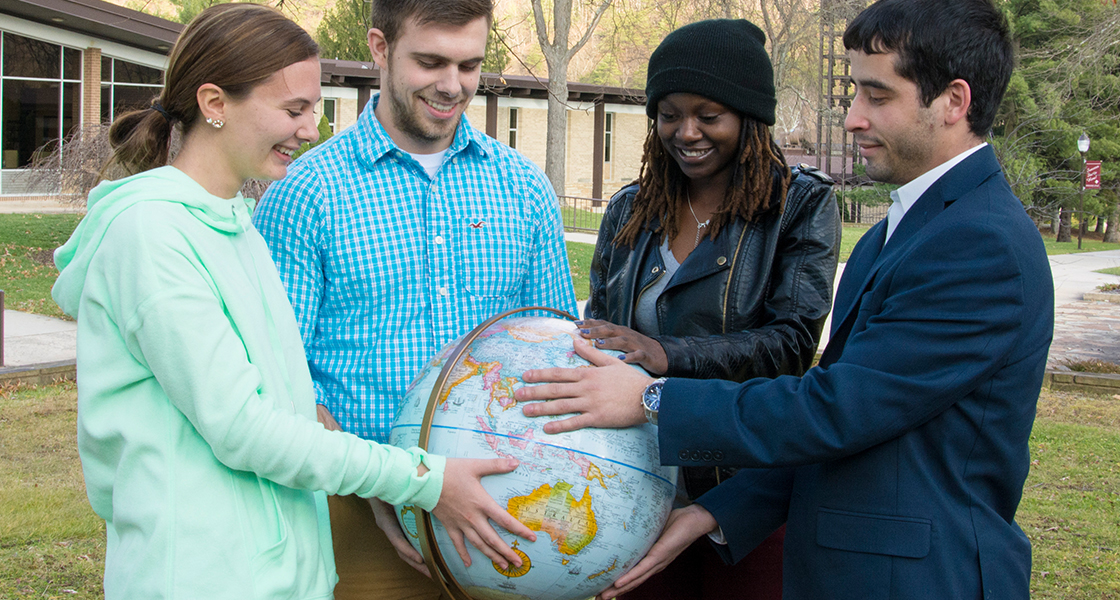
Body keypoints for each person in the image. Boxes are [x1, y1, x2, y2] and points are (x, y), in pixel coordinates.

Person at [517, 1, 1054, 598]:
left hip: (920, 577)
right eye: (855, 93)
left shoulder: (979, 243)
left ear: (954, 101)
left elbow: (840, 407)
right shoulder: (902, 228)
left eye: (877, 96)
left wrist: (652, 396)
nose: (851, 118)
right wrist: (717, 510)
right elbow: (857, 421)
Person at [51, 5, 534, 599]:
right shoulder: (150, 234)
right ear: (215, 104)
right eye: (293, 110)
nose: (311, 130)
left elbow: (290, 399)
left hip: (277, 570)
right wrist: (420, 481)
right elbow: (245, 429)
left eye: (312, 108)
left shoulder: (235, 224)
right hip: (200, 574)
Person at [251, 0, 577, 597]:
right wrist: (383, 485)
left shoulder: (524, 188)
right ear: (380, 48)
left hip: (506, 516)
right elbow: (280, 376)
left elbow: (555, 355)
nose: (453, 86)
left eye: (470, 65)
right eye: (430, 62)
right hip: (356, 509)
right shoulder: (303, 194)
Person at [576, 19, 840, 600]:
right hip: (630, 492)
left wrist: (665, 355)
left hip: (742, 499)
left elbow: (791, 343)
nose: (686, 131)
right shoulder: (630, 210)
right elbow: (596, 331)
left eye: (708, 115)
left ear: (749, 117)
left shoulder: (799, 205)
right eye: (668, 113)